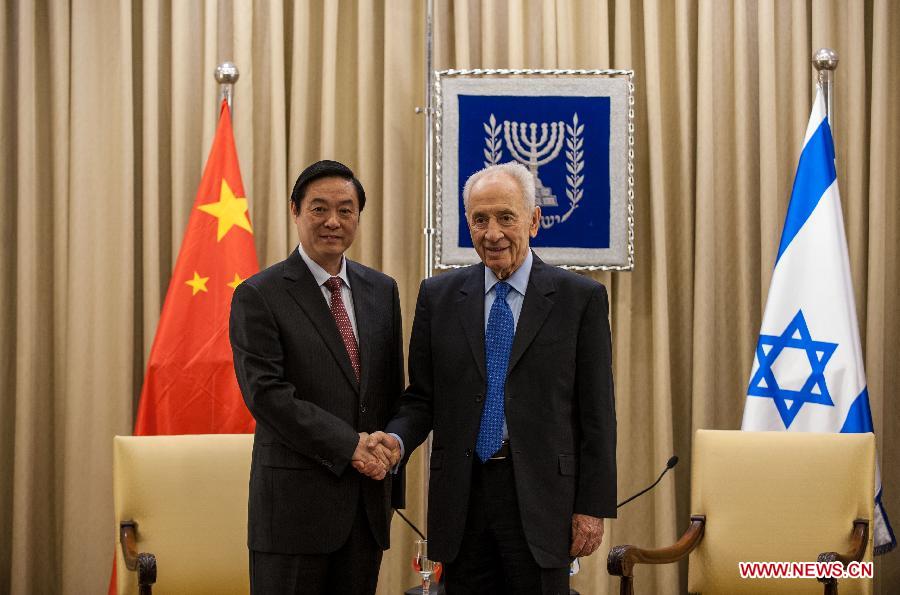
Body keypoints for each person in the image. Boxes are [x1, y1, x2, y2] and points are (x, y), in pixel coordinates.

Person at [369, 162, 616, 594]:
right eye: (480, 220)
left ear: (534, 221)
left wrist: (591, 507)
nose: (492, 232)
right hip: (462, 499)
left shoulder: (580, 300)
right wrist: (397, 440)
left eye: (506, 217)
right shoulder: (438, 297)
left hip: (542, 501)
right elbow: (422, 398)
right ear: (468, 225)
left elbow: (597, 415)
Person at [229, 160, 403, 595]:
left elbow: (388, 391)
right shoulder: (259, 294)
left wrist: (389, 446)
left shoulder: (382, 291)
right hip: (292, 515)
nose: (333, 221)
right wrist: (351, 446)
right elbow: (267, 396)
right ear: (295, 211)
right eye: (319, 208)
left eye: (346, 210)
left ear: (359, 217)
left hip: (365, 509)